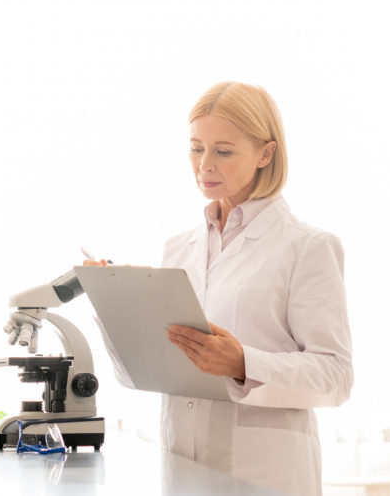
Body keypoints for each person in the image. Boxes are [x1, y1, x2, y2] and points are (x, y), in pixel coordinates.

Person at [161, 81, 353, 495]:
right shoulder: (177, 249)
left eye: (224, 151)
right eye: (196, 148)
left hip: (264, 474)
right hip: (181, 464)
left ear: (266, 153)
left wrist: (243, 364)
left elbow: (336, 377)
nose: (205, 165)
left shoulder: (307, 246)